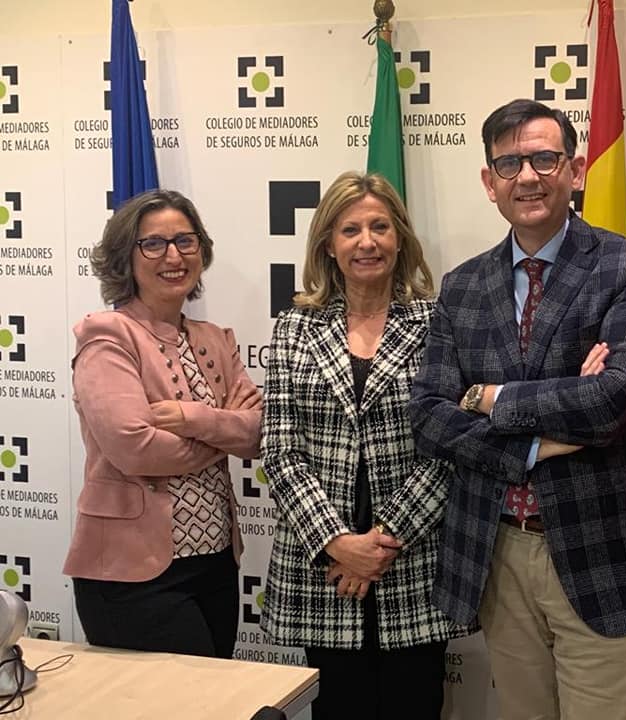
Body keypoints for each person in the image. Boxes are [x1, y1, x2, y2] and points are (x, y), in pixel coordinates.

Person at [408, 98, 626, 720]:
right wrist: (534, 445)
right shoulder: (461, 286)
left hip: (607, 555)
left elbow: (613, 400)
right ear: (489, 182)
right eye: (509, 164)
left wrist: (487, 398)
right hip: (499, 553)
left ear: (575, 169)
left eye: (544, 158)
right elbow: (428, 415)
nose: (528, 177)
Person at [259, 171, 465, 720]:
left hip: (413, 563)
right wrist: (337, 542)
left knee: (414, 706)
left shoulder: (438, 323)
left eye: (379, 227)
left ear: (400, 238)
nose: (366, 242)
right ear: (328, 244)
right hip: (325, 571)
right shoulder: (294, 327)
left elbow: (450, 445)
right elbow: (280, 450)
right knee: (338, 709)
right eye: (350, 230)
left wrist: (380, 544)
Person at [64, 189, 262, 659]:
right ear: (125, 257)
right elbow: (135, 448)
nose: (173, 256)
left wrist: (193, 418)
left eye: (185, 241)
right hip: (132, 576)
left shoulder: (216, 340)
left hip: (217, 564)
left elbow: (256, 434)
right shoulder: (107, 336)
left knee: (217, 696)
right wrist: (222, 432)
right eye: (153, 244)